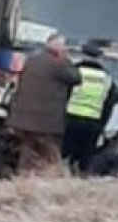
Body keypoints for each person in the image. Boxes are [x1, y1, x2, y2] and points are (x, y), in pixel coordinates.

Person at [7, 34, 81, 174]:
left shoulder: (31, 60)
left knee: (27, 151)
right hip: (46, 122)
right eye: (64, 47)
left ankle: (22, 176)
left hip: (23, 119)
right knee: (51, 155)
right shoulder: (59, 64)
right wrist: (66, 59)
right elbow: (76, 77)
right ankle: (49, 179)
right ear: (58, 49)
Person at [61, 42, 118, 176]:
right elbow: (111, 101)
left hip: (71, 120)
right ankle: (81, 178)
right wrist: (103, 124)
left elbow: (64, 94)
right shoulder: (106, 77)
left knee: (66, 154)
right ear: (98, 58)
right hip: (93, 123)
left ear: (83, 55)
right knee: (86, 156)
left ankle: (66, 177)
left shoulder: (74, 71)